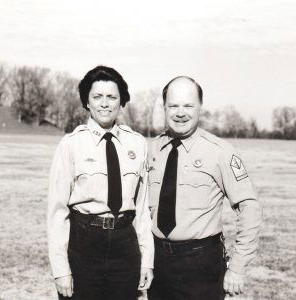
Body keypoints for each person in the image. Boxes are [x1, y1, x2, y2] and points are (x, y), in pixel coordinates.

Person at [147, 76, 262, 300]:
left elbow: (249, 208)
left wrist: (237, 267)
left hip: (201, 264)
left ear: (200, 107)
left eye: (188, 105)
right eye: (173, 106)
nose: (181, 113)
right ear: (164, 108)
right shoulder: (152, 150)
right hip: (158, 262)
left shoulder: (220, 152)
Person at [47, 65, 154, 299]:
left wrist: (147, 261)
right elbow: (57, 212)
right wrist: (61, 270)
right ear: (87, 101)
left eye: (111, 97)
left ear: (121, 101)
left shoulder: (137, 144)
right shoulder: (71, 144)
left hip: (125, 245)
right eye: (97, 97)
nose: (104, 104)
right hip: (84, 243)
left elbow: (143, 209)